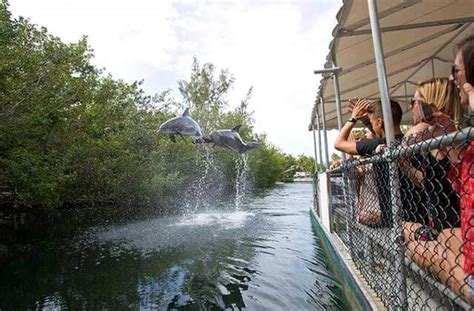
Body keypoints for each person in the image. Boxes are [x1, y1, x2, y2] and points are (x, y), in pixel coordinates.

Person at [335, 98, 412, 227]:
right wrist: (369, 117)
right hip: (415, 214)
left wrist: (353, 118)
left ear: (380, 122)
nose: (371, 126)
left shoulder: (377, 145)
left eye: (372, 122)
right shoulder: (408, 142)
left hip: (391, 218)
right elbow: (379, 130)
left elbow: (339, 143)